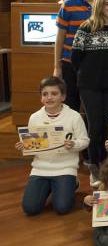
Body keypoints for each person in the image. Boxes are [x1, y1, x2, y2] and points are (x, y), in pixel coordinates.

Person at [71, 0, 108, 187]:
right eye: (107, 4)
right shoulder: (86, 28)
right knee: (95, 127)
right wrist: (89, 75)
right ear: (99, 5)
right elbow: (75, 59)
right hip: (89, 86)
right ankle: (95, 166)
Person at [16, 76, 89, 215]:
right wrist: (25, 146)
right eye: (45, 94)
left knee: (62, 208)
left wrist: (73, 144)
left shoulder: (74, 116)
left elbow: (85, 141)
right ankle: (50, 186)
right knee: (30, 209)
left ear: (63, 97)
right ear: (41, 98)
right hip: (40, 168)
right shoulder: (34, 117)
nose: (49, 97)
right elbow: (34, 145)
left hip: (65, 167)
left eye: (54, 94)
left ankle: (73, 183)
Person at [54, 0, 105, 111]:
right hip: (69, 64)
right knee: (71, 107)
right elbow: (59, 39)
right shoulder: (68, 5)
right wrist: (57, 68)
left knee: (92, 109)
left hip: (94, 66)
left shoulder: (106, 6)